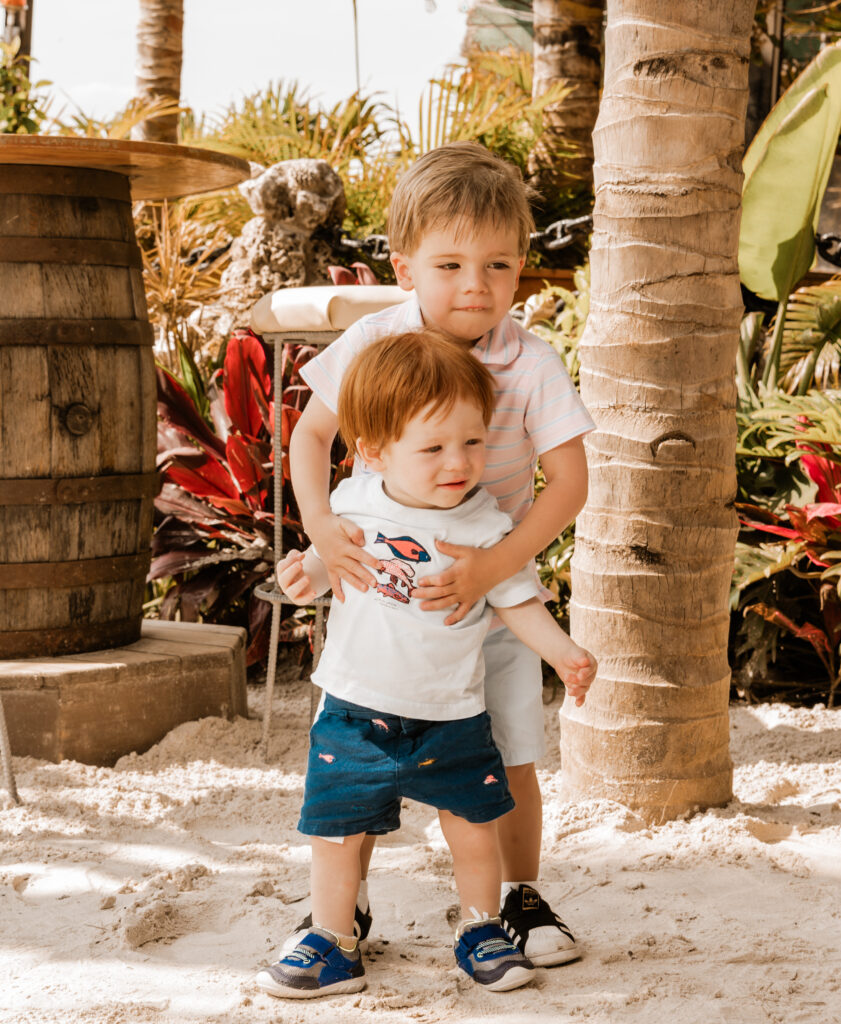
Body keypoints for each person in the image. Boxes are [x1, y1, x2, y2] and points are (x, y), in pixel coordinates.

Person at [285, 141, 595, 968]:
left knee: (511, 753)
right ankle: (338, 908)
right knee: (350, 751)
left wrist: (495, 572)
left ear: (522, 267)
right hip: (381, 591)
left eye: (497, 265)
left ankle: (518, 900)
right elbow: (312, 436)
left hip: (491, 593)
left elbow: (568, 482)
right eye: (449, 264)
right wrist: (320, 526)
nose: (474, 286)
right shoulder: (376, 339)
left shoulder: (527, 362)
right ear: (404, 265)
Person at [256, 331, 597, 998]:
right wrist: (306, 575)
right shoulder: (352, 508)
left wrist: (562, 652)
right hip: (355, 710)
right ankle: (332, 938)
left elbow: (516, 602)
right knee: (336, 827)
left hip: (452, 714)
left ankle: (480, 927)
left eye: (472, 443)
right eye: (434, 448)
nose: (458, 462)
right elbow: (326, 569)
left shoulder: (484, 527)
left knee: (472, 827)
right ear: (376, 452)